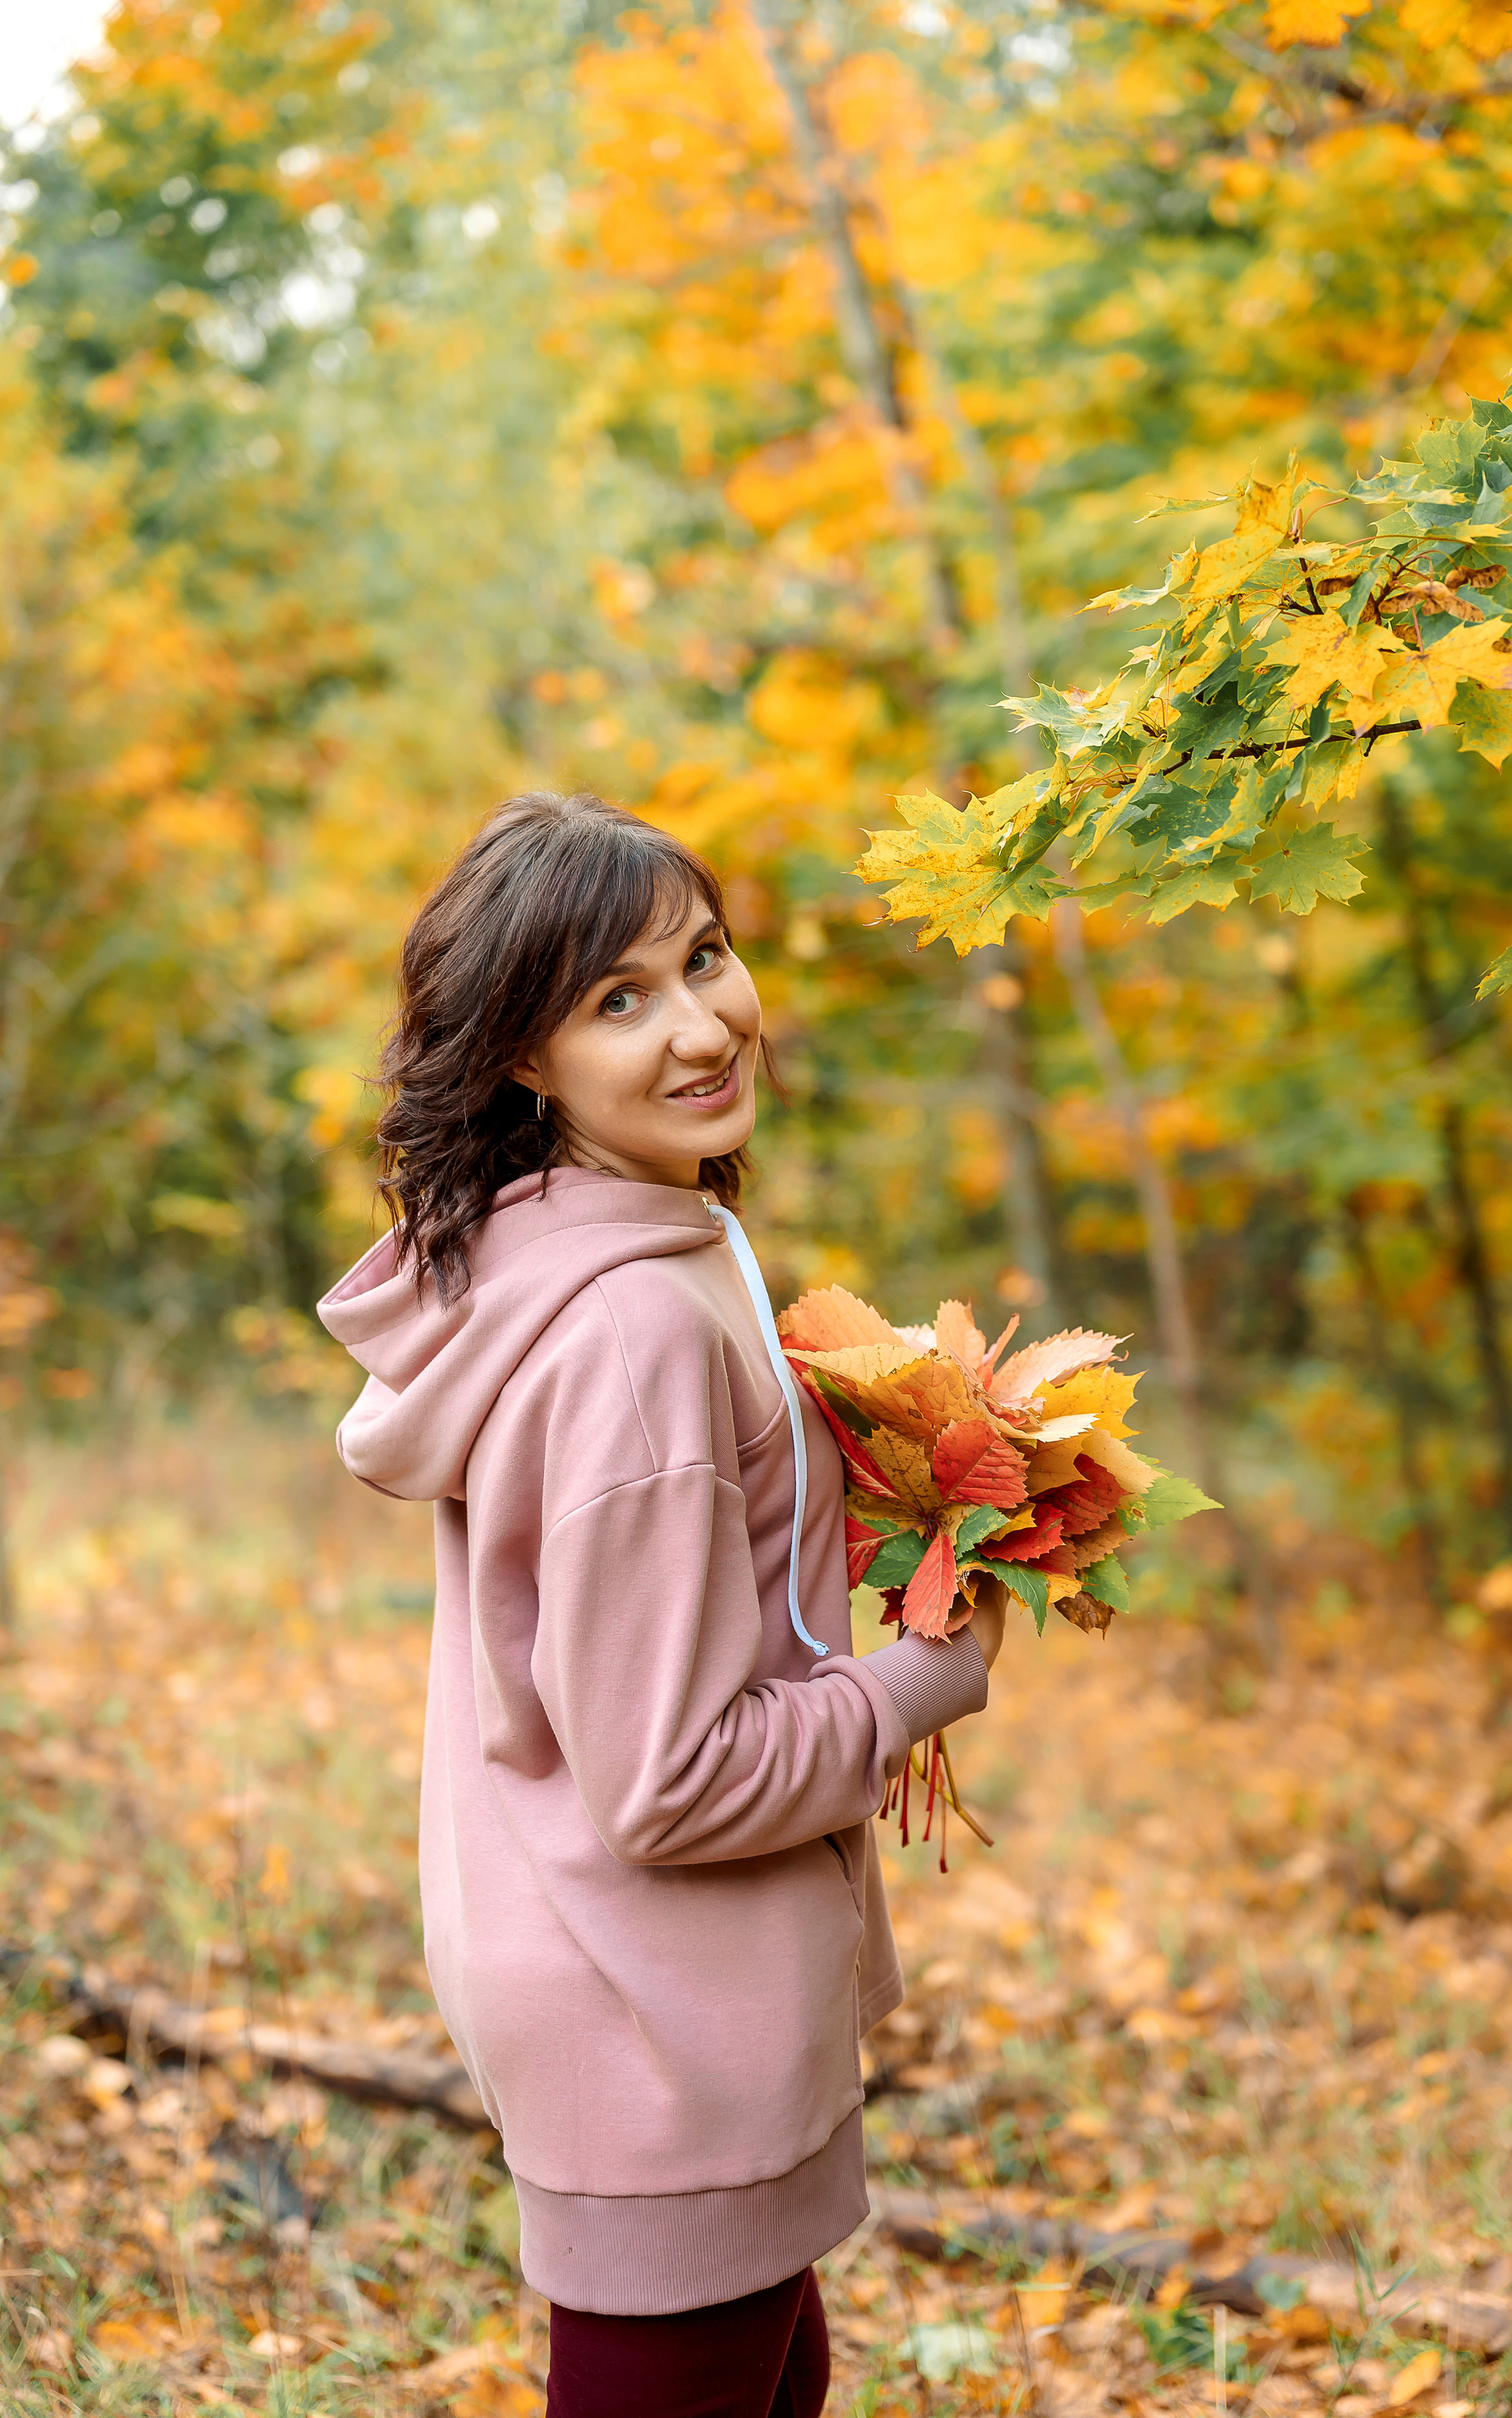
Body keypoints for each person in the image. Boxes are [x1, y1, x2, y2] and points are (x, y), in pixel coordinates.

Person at [318, 791, 1005, 2418]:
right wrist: (924, 1680)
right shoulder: (633, 1332)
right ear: (522, 1058)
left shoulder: (614, 1239)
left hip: (672, 1993)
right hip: (649, 2019)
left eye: (704, 958)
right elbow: (670, 1777)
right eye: (618, 999)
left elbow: (672, 1596)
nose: (701, 1025)